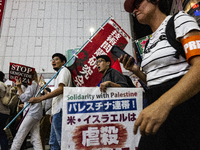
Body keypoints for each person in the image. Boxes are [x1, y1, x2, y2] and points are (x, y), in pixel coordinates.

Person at [120, 0, 200, 149]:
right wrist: (136, 70)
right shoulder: (149, 43)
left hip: (186, 113)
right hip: (158, 115)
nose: (134, 10)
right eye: (132, 9)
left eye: (137, 3)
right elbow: (155, 81)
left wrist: (163, 104)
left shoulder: (179, 21)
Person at [29, 53, 73, 150]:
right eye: (52, 60)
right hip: (57, 112)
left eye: (56, 59)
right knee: (53, 142)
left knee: (61, 142)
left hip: (61, 110)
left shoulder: (64, 71)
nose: (53, 61)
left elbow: (61, 89)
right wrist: (53, 113)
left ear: (63, 62)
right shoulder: (58, 74)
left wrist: (40, 98)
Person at [10, 71, 43, 150]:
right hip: (35, 113)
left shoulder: (32, 84)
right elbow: (26, 99)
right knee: (35, 138)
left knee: (19, 135)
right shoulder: (34, 85)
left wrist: (18, 87)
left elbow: (24, 97)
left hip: (31, 113)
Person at [0, 71, 10, 150]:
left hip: (0, 111)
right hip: (5, 112)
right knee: (2, 132)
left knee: (1, 133)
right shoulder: (5, 85)